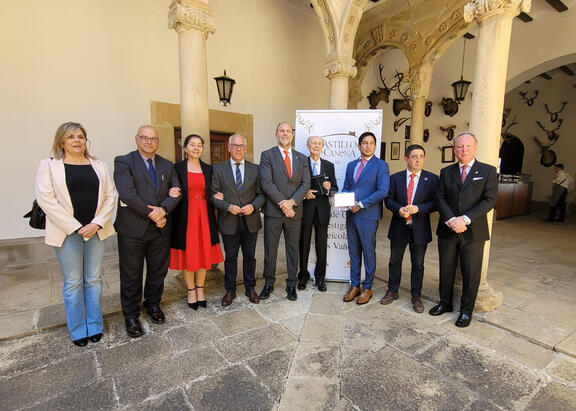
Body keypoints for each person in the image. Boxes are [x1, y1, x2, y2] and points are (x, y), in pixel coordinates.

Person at [36, 122, 117, 346]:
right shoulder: (49, 166)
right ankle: (78, 328)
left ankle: (94, 325)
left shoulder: (98, 165)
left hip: (96, 231)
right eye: (71, 137)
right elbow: (46, 200)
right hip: (67, 233)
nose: (77, 140)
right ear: (61, 141)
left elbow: (110, 197)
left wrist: (97, 223)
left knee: (93, 280)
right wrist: (75, 226)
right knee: (72, 282)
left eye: (80, 136)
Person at [114, 125, 181, 338]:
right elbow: (127, 193)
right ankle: (131, 314)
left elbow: (177, 192)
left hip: (161, 229)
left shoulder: (167, 165)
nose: (149, 142)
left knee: (157, 271)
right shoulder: (124, 162)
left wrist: (164, 210)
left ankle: (152, 304)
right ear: (136, 139)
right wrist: (154, 214)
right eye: (145, 138)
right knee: (131, 273)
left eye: (153, 139)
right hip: (133, 229)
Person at [430, 132, 498, 328]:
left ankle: (466, 311)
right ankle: (445, 303)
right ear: (454, 150)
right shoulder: (446, 171)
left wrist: (465, 219)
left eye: (467, 146)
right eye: (460, 147)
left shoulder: (487, 171)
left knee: (471, 273)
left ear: (475, 148)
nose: (464, 150)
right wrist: (451, 219)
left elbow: (490, 199)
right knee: (446, 269)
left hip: (474, 231)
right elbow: (439, 198)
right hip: (448, 229)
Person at [381, 144, 437, 313]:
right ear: (406, 159)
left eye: (421, 156)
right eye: (414, 156)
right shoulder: (395, 178)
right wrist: (399, 209)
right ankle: (392, 290)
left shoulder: (433, 179)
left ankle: (416, 295)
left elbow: (436, 202)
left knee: (418, 264)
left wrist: (419, 208)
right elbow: (388, 200)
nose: (418, 159)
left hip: (420, 229)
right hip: (399, 226)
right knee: (394, 261)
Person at [170, 134, 224, 310]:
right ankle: (191, 290)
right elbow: (173, 189)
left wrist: (218, 195)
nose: (196, 148)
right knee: (188, 254)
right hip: (185, 215)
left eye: (199, 145)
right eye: (192, 145)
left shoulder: (209, 169)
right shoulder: (176, 168)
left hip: (205, 215)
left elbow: (213, 191)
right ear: (184, 148)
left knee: (203, 252)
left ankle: (201, 289)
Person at [212, 134, 265, 306]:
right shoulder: (218, 169)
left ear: (246, 148)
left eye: (241, 146)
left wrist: (253, 206)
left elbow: (261, 194)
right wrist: (227, 206)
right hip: (229, 220)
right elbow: (213, 195)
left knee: (250, 256)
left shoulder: (255, 169)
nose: (238, 149)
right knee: (231, 257)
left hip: (251, 220)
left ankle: (250, 288)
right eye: (234, 145)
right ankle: (230, 290)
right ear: (228, 147)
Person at [259, 122, 311, 301]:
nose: (285, 134)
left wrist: (292, 203)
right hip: (274, 212)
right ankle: (268, 284)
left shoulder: (302, 158)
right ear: (276, 134)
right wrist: (284, 204)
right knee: (270, 250)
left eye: (288, 131)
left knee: (292, 249)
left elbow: (306, 183)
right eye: (282, 131)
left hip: (295, 212)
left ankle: (291, 284)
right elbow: (266, 183)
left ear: (293, 135)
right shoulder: (267, 155)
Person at [342, 132, 389, 305]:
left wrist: (360, 204)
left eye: (371, 143)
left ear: (375, 146)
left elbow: (382, 191)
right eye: (365, 143)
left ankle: (367, 287)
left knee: (368, 253)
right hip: (351, 215)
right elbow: (347, 187)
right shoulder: (351, 165)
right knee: (354, 252)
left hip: (368, 216)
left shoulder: (381, 165)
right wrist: (343, 201)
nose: (368, 146)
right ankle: (354, 285)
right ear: (359, 146)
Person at [298, 136, 338, 292]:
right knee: (304, 243)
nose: (316, 146)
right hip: (305, 209)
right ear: (308, 146)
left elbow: (334, 187)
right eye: (313, 143)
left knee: (321, 245)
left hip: (322, 210)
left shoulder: (329, 165)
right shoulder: (301, 163)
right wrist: (304, 193)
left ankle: (320, 278)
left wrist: (329, 187)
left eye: (319, 143)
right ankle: (303, 276)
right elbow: (295, 185)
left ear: (322, 147)